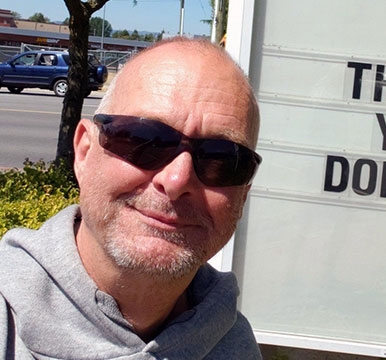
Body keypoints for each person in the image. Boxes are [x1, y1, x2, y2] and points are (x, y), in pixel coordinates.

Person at [0, 37, 263, 359]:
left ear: (244, 190)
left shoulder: (234, 344)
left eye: (222, 159)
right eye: (144, 139)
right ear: (83, 152)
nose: (177, 180)